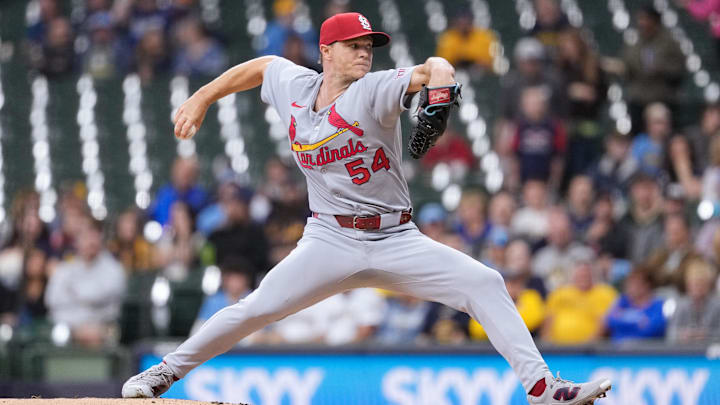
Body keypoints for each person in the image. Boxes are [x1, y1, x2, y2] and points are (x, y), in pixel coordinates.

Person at [122, 12, 611, 404]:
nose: (364, 52)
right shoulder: (295, 87)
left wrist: (439, 91)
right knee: (256, 309)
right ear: (326, 51)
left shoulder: (374, 89)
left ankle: (544, 389)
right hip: (329, 239)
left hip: (396, 238)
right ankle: (165, 372)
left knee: (485, 282)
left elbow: (435, 67)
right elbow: (261, 65)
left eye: (368, 46)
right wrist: (204, 96)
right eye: (354, 45)